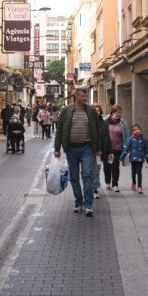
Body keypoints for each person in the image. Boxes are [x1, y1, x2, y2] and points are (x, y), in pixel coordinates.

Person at [54, 88, 102, 216]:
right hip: (71, 149)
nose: (85, 98)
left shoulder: (91, 111)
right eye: (83, 96)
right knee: (74, 177)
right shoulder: (66, 110)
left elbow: (97, 129)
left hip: (87, 148)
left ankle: (88, 204)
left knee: (87, 174)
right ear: (76, 96)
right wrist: (57, 148)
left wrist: (98, 148)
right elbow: (59, 130)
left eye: (86, 96)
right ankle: (79, 201)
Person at [103, 104, 129, 192]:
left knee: (115, 166)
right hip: (107, 148)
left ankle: (115, 184)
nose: (119, 114)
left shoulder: (123, 122)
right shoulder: (105, 120)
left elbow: (127, 135)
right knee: (107, 165)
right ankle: (107, 181)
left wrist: (126, 147)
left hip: (118, 148)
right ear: (113, 112)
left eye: (120, 113)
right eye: (117, 112)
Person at [120, 123, 148, 194]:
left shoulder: (144, 139)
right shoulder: (130, 139)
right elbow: (126, 149)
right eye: (135, 130)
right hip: (133, 159)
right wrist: (121, 157)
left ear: (140, 130)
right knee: (133, 172)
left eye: (138, 129)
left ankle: (139, 186)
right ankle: (134, 183)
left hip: (140, 159)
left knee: (139, 172)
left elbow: (146, 150)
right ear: (133, 132)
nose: (137, 131)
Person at [91, 103, 111, 199]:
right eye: (95, 111)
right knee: (88, 171)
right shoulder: (88, 122)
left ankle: (95, 189)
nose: (97, 112)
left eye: (98, 111)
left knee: (96, 170)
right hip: (88, 151)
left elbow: (107, 138)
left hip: (99, 151)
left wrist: (109, 151)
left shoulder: (104, 123)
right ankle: (89, 188)